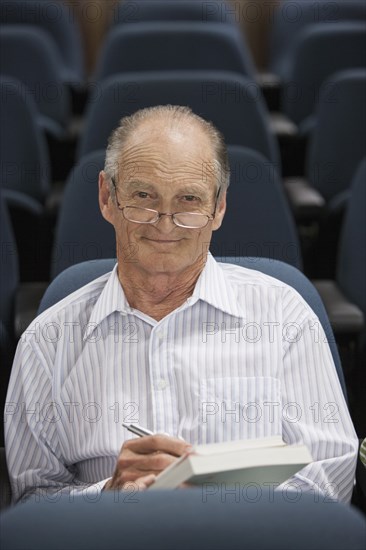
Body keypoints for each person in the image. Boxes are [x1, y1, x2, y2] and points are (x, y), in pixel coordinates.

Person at [4, 105, 358, 503]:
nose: (165, 223)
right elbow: (31, 499)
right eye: (143, 196)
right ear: (107, 197)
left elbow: (331, 472)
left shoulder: (285, 316)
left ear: (219, 208)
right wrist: (107, 497)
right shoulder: (47, 340)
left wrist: (221, 506)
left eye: (189, 199)